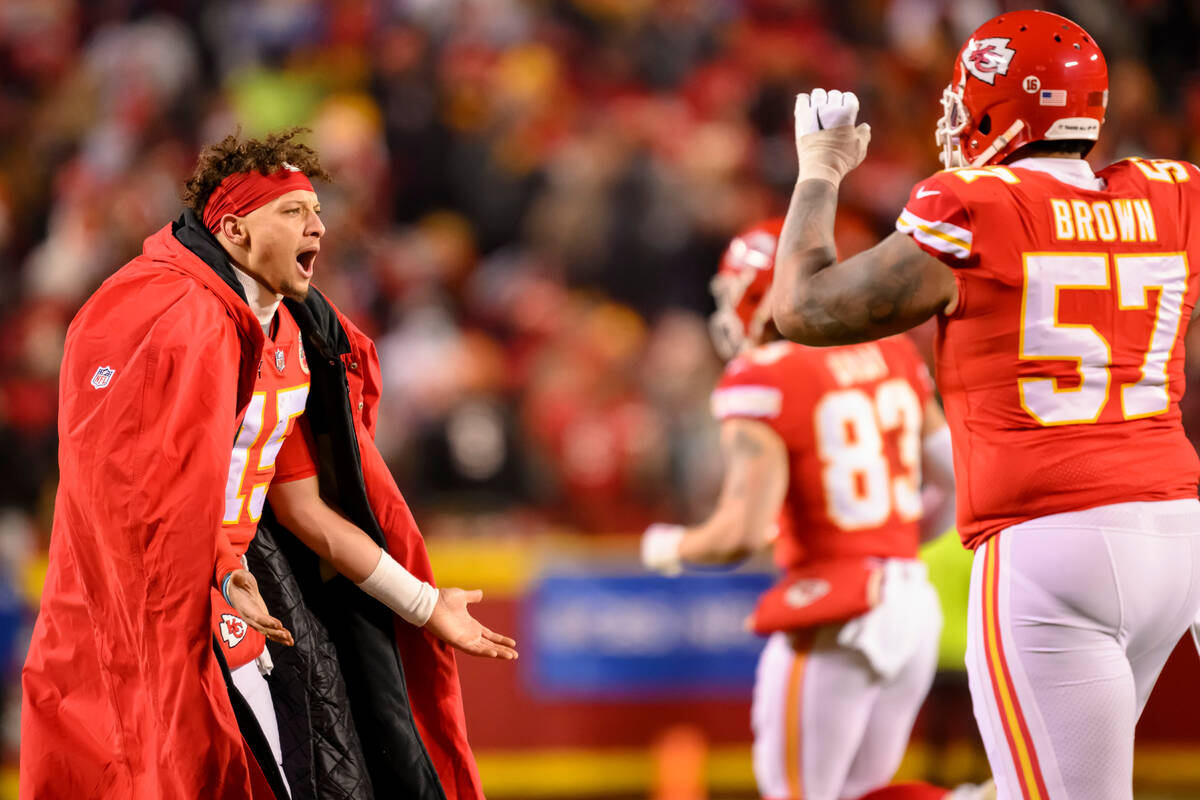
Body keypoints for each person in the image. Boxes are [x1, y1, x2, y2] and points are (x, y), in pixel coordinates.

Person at [769, 10, 1200, 800]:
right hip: (1176, 534)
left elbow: (803, 310)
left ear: (1003, 107)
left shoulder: (973, 206)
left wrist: (819, 172)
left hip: (1049, 541)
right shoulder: (1175, 194)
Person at [21, 129, 511, 800]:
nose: (320, 225)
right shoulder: (170, 318)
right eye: (294, 212)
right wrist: (219, 570)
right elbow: (133, 496)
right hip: (170, 591)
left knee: (331, 758)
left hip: (249, 576)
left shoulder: (290, 332)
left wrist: (426, 606)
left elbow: (305, 510)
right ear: (234, 230)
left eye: (316, 209)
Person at [641, 219, 990, 800]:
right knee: (859, 791)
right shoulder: (892, 353)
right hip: (910, 603)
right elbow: (958, 480)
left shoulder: (762, 376)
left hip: (836, 610)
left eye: (738, 294)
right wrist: (895, 541)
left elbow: (741, 532)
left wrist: (670, 546)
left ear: (766, 293)